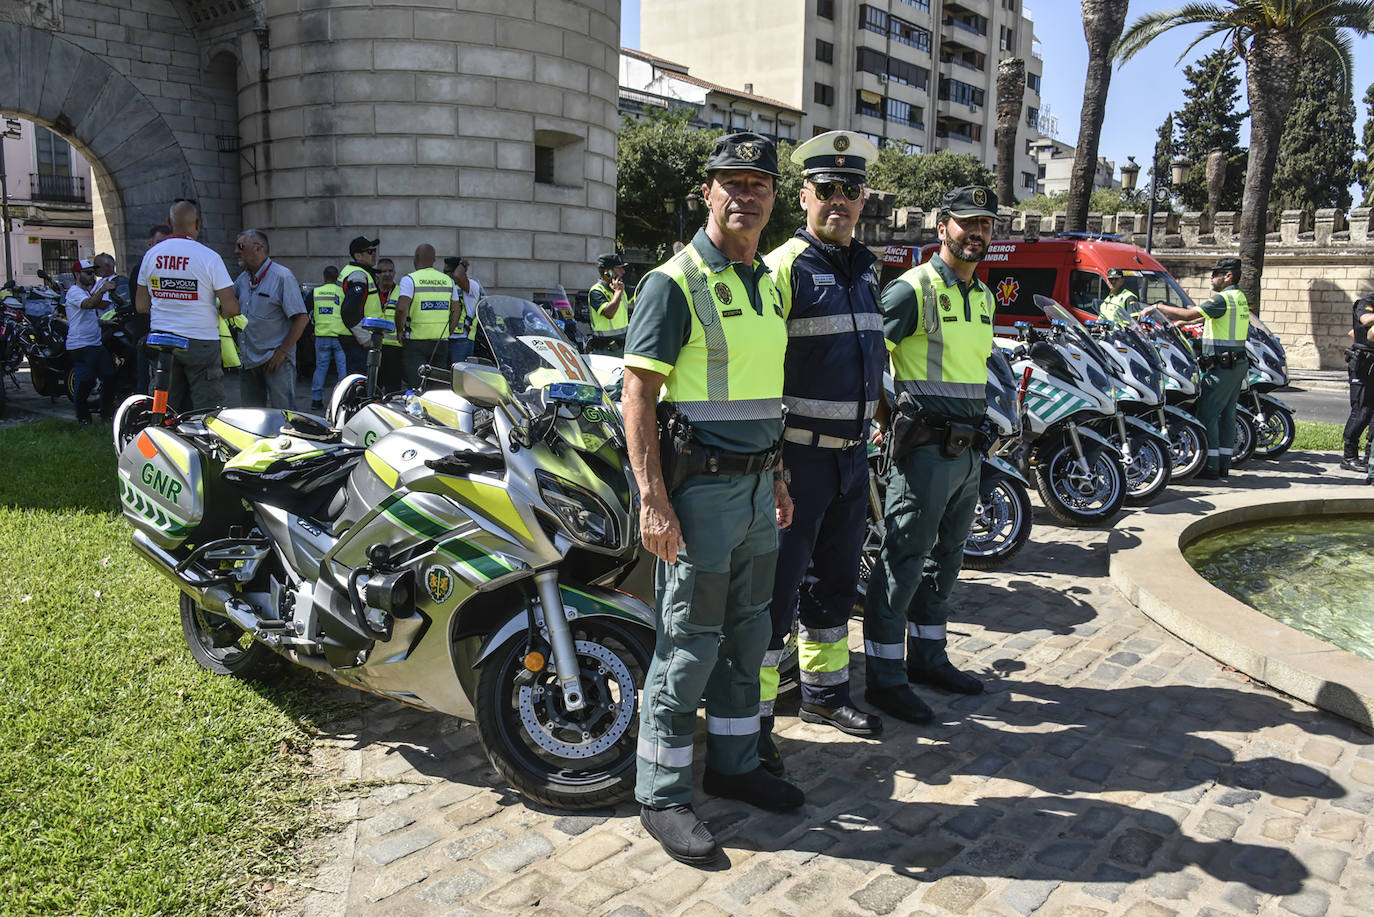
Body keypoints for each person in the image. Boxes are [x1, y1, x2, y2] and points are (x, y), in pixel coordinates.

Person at [623, 131, 803, 866]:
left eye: (758, 184)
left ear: (772, 199)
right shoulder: (673, 280)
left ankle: (734, 764)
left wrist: (781, 475)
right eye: (730, 182)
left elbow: (766, 396)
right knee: (688, 638)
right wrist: (652, 499)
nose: (745, 194)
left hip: (760, 489)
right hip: (698, 496)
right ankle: (661, 792)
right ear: (706, 194)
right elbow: (637, 395)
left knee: (748, 633)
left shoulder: (768, 282)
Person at [756, 130, 884, 775]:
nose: (840, 200)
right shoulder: (782, 268)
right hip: (798, 461)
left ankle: (825, 696)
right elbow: (760, 369)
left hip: (851, 461)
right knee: (775, 593)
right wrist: (776, 464)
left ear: (864, 200)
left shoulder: (867, 269)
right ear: (804, 195)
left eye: (851, 190)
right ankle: (750, 721)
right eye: (827, 189)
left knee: (835, 586)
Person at [863, 186, 1000, 724]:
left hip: (967, 453)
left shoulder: (984, 297)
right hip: (922, 453)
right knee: (903, 561)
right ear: (942, 226)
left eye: (986, 225)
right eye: (967, 223)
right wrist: (882, 417)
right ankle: (885, 678)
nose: (978, 233)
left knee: (947, 561)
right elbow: (866, 358)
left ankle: (928, 658)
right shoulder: (910, 290)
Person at [1142, 257, 1249, 479]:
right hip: (1237, 363)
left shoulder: (1223, 298)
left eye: (1216, 273)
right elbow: (1208, 319)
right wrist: (1185, 325)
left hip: (1222, 365)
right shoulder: (1239, 298)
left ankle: (1209, 467)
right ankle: (1223, 465)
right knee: (1227, 414)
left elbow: (1192, 313)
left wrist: (1158, 307)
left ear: (1228, 276)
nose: (1212, 277)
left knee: (1207, 413)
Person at [136, 200, 240, 412]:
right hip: (201, 341)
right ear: (198, 224)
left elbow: (141, 305)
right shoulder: (210, 257)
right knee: (208, 411)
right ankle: (203, 441)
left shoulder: (151, 256)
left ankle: (164, 442)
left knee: (164, 408)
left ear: (169, 222)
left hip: (163, 341)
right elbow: (231, 309)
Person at [232, 229, 308, 409]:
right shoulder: (242, 279)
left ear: (258, 248)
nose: (236, 251)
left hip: (276, 361)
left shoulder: (282, 276)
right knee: (251, 417)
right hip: (248, 361)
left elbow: (301, 318)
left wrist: (281, 353)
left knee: (284, 415)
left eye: (241, 246)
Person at [394, 244, 457, 388]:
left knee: (417, 385)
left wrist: (399, 330)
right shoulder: (448, 281)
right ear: (434, 260)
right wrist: (449, 331)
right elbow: (456, 310)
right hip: (440, 341)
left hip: (416, 342)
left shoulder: (410, 280)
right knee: (438, 387)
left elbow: (401, 309)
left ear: (416, 258)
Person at [64, 258, 116, 424]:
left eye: (93, 273)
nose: (92, 276)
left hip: (94, 343)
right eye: (88, 273)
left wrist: (105, 322)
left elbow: (88, 317)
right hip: (81, 344)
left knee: (109, 376)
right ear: (77, 274)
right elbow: (88, 305)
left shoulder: (86, 291)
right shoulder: (74, 292)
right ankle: (83, 416)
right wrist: (102, 289)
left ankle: (106, 412)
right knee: (86, 381)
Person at [131, 225, 170, 394]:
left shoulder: (169, 269)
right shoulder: (141, 269)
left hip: (168, 337)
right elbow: (142, 307)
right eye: (159, 243)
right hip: (148, 337)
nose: (163, 248)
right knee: (148, 385)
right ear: (149, 244)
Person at [1340, 292, 1374, 472]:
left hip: (1372, 363)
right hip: (1362, 365)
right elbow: (1365, 319)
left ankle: (1370, 456)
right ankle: (1349, 456)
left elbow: (1353, 332)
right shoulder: (1367, 302)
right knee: (1362, 410)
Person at [338, 236, 380, 376]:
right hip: (356, 339)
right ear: (358, 256)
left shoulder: (352, 271)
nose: (374, 254)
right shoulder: (358, 275)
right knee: (360, 383)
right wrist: (365, 338)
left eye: (374, 250)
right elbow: (349, 312)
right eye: (369, 251)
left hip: (351, 336)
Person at [309, 266, 346, 410]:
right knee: (342, 369)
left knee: (320, 368)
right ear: (337, 278)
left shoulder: (315, 292)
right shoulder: (341, 292)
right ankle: (343, 399)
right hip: (338, 335)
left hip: (321, 335)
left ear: (324, 277)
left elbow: (309, 313)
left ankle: (316, 400)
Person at [588, 252, 631, 355]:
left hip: (623, 347)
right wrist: (618, 292)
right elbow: (609, 313)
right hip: (605, 350)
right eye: (619, 268)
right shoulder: (596, 291)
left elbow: (642, 290)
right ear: (607, 272)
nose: (623, 271)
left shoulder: (622, 288)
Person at [445, 256, 483, 365]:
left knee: (459, 376)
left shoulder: (472, 286)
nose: (444, 275)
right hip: (445, 338)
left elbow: (458, 276)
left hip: (463, 340)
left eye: (446, 271)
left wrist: (463, 265)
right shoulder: (446, 285)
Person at [375, 256, 403, 391]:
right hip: (374, 344)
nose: (387, 274)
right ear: (377, 274)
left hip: (394, 348)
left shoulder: (401, 292)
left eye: (390, 271)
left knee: (393, 386)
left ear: (394, 273)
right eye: (383, 271)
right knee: (374, 385)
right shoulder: (371, 292)